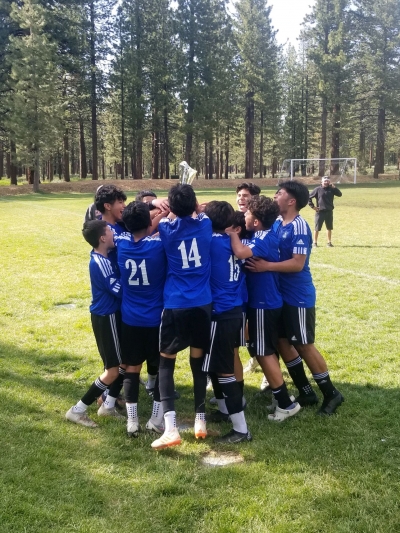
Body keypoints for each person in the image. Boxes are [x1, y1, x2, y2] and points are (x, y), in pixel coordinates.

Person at [246, 180, 344, 415]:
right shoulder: (278, 222)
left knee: (303, 344)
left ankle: (331, 393)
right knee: (282, 341)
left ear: (291, 201)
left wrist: (266, 266)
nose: (275, 196)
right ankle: (305, 391)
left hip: (298, 296)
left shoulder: (299, 226)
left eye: (279, 193)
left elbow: (298, 264)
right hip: (279, 295)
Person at [228, 196, 301, 422]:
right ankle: (281, 397)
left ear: (257, 221)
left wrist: (230, 232)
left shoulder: (261, 239)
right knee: (263, 350)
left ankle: (285, 403)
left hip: (263, 303)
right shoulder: (266, 234)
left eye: (248, 214)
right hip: (265, 301)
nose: (245, 216)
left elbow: (240, 253)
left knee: (263, 351)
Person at [151, 184, 212, 450]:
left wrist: (160, 206)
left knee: (166, 364)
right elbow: (205, 210)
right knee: (198, 364)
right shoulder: (206, 226)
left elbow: (154, 222)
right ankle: (200, 420)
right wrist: (193, 207)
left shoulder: (166, 229)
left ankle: (171, 428)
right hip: (202, 304)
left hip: (176, 304)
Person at [65, 220, 125, 427]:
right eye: (110, 231)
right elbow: (118, 290)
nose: (113, 233)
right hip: (105, 317)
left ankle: (107, 406)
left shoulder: (106, 256)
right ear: (102, 238)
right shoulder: (100, 263)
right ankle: (78, 409)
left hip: (111, 315)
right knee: (113, 370)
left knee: (124, 362)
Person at [117, 201, 168, 437]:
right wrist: (164, 214)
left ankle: (132, 421)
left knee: (132, 369)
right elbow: (153, 232)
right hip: (156, 319)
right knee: (159, 369)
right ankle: (156, 417)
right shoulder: (158, 245)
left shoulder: (121, 244)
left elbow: (141, 231)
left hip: (130, 318)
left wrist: (152, 215)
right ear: (149, 223)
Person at [203, 201, 252, 442]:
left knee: (224, 371)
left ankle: (241, 429)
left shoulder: (210, 242)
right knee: (217, 365)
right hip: (233, 309)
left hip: (221, 313)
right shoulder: (232, 241)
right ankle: (224, 411)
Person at [308, 176, 342, 247]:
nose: (326, 182)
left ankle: (329, 242)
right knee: (317, 228)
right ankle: (315, 242)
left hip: (329, 211)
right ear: (322, 182)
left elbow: (340, 194)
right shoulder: (317, 189)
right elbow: (309, 197)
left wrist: (334, 188)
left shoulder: (331, 189)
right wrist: (313, 207)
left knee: (329, 227)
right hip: (320, 212)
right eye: (325, 181)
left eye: (327, 181)